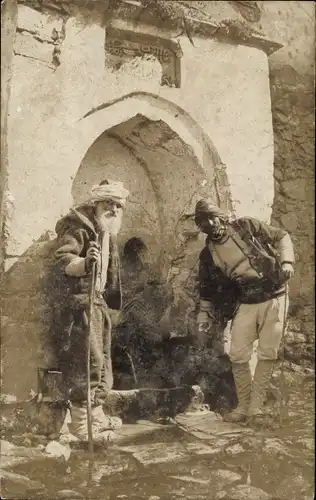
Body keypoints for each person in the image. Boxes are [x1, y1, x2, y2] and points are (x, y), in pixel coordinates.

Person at [194, 198, 295, 424]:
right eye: (203, 221)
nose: (210, 224)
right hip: (246, 300)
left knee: (267, 352)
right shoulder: (207, 254)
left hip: (275, 295)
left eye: (213, 218)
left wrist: (287, 262)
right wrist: (204, 315)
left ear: (221, 217)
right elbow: (207, 289)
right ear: (200, 226)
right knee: (238, 354)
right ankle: (243, 406)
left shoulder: (246, 226)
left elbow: (282, 236)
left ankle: (256, 409)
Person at [52, 179, 129, 442]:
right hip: (80, 304)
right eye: (109, 203)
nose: (114, 210)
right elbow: (63, 259)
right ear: (96, 204)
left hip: (99, 304)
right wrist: (84, 263)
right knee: (88, 362)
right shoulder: (79, 228)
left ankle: (95, 415)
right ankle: (80, 424)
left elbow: (112, 274)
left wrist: (113, 307)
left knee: (104, 362)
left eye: (118, 205)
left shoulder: (108, 232)